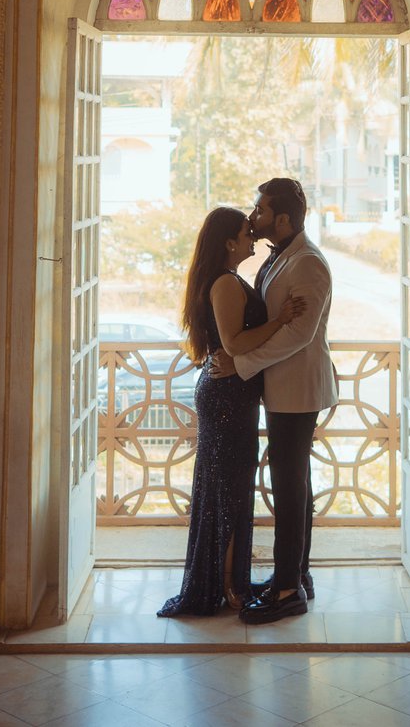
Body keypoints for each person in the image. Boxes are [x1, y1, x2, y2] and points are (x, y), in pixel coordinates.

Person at [157, 205, 308, 617]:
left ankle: (230, 580)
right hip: (225, 400)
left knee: (233, 490)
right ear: (228, 243)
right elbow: (236, 344)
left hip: (233, 396)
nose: (252, 237)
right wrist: (279, 320)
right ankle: (225, 586)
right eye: (245, 232)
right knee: (227, 493)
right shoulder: (225, 283)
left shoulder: (231, 279)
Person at [208, 177, 336, 625]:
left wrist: (241, 365)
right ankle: (295, 574)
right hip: (281, 388)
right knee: (293, 483)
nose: (253, 216)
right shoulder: (281, 257)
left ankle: (287, 591)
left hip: (298, 390)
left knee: (288, 486)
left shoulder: (309, 264)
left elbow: (299, 335)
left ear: (282, 219)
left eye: (260, 211)